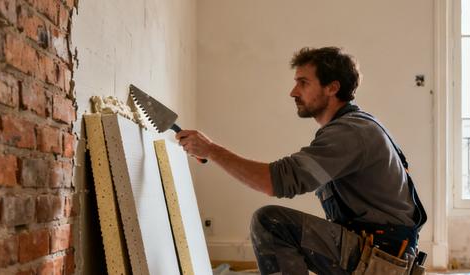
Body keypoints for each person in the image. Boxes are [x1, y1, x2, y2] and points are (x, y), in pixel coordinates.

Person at [176, 47, 426, 275]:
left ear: (332, 87)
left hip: (380, 260)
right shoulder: (351, 128)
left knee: (271, 222)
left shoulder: (351, 133)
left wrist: (212, 150)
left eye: (303, 83)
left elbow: (275, 182)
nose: (293, 92)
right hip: (376, 253)